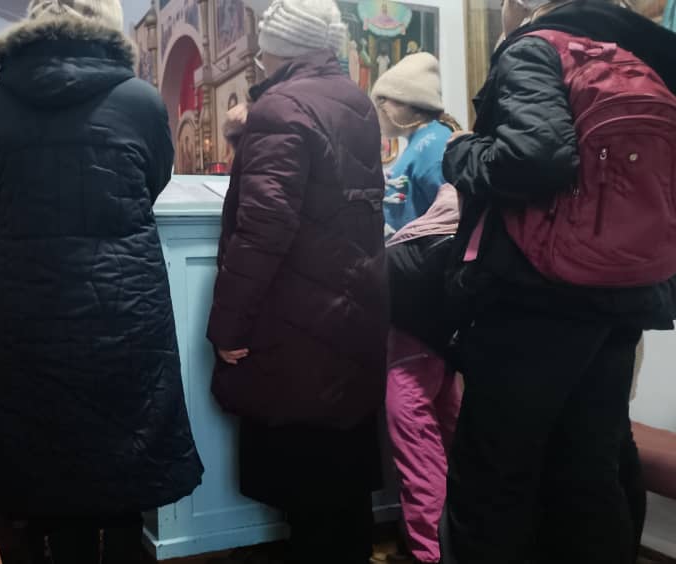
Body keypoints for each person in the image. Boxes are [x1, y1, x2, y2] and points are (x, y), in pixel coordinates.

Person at [0, 0, 204, 561]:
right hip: (126, 303)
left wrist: (18, 279)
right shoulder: (141, 100)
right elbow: (154, 180)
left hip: (32, 313)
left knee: (50, 451)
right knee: (126, 446)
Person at [440, 2, 676, 563]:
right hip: (625, 293)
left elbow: (536, 159)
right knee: (590, 471)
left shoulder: (536, 48)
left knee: (494, 475)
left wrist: (461, 152)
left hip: (535, 295)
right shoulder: (647, 54)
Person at [206, 0, 388, 561]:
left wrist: (228, 325)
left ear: (281, 49)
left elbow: (263, 229)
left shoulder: (280, 108)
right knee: (343, 482)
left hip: (296, 317)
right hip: (351, 307)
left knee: (308, 488)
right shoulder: (355, 100)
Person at [384, 184, 462, 564]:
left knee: (421, 463)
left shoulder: (407, 250)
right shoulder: (472, 246)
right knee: (457, 446)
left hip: (410, 358)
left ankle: (431, 555)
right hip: (446, 356)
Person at [372, 51, 460, 237]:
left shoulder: (431, 145)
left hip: (423, 253)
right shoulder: (426, 140)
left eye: (382, 101)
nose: (378, 110)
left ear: (407, 102)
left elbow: (450, 219)